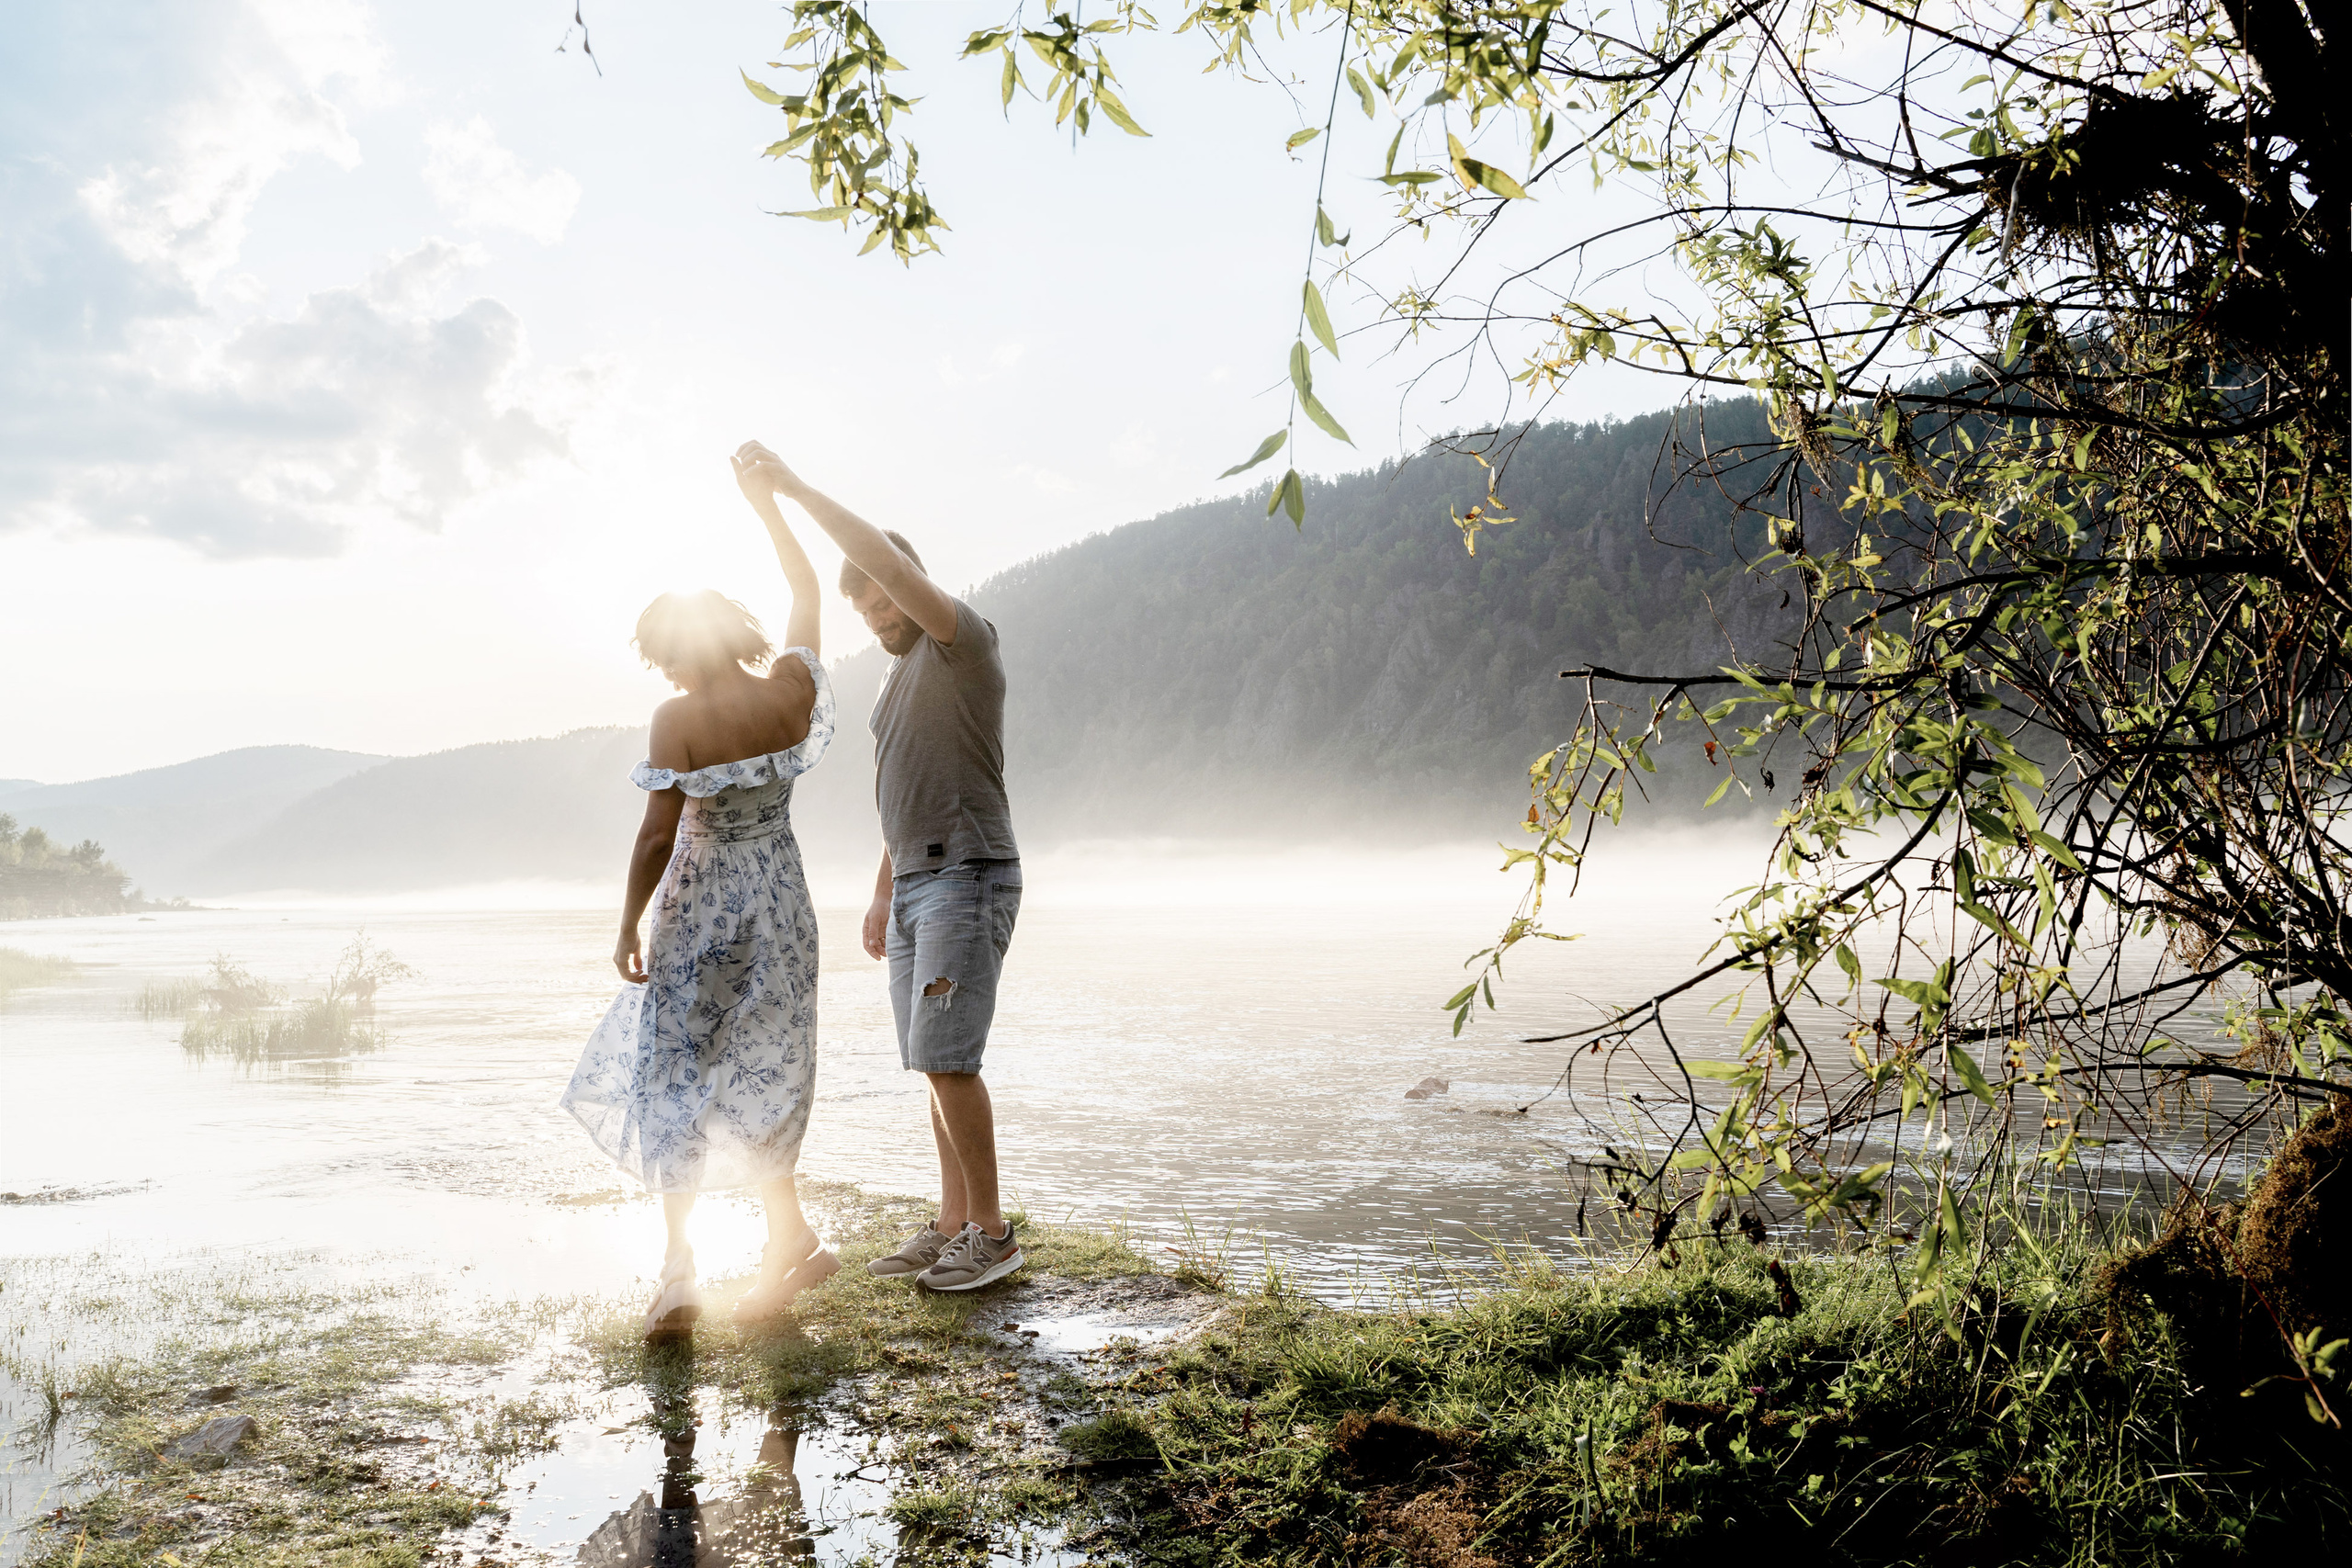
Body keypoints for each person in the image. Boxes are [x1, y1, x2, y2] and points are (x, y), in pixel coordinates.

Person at [733, 440, 1025, 1293]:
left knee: (949, 1056)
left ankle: (993, 1232)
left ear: (905, 583)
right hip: (917, 887)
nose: (874, 615)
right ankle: (950, 1225)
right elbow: (909, 797)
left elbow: (881, 563)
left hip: (970, 874)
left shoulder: (961, 643)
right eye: (861, 608)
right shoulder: (897, 683)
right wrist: (880, 892)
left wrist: (789, 489)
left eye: (880, 598)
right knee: (930, 1059)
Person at [560, 456, 842, 1340]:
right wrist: (769, 505)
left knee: (677, 1068)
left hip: (703, 900)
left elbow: (655, 835)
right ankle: (784, 1233)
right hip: (782, 898)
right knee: (768, 1061)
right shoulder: (791, 691)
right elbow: (804, 584)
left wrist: (628, 922)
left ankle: (681, 1268)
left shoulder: (675, 721)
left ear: (669, 652)